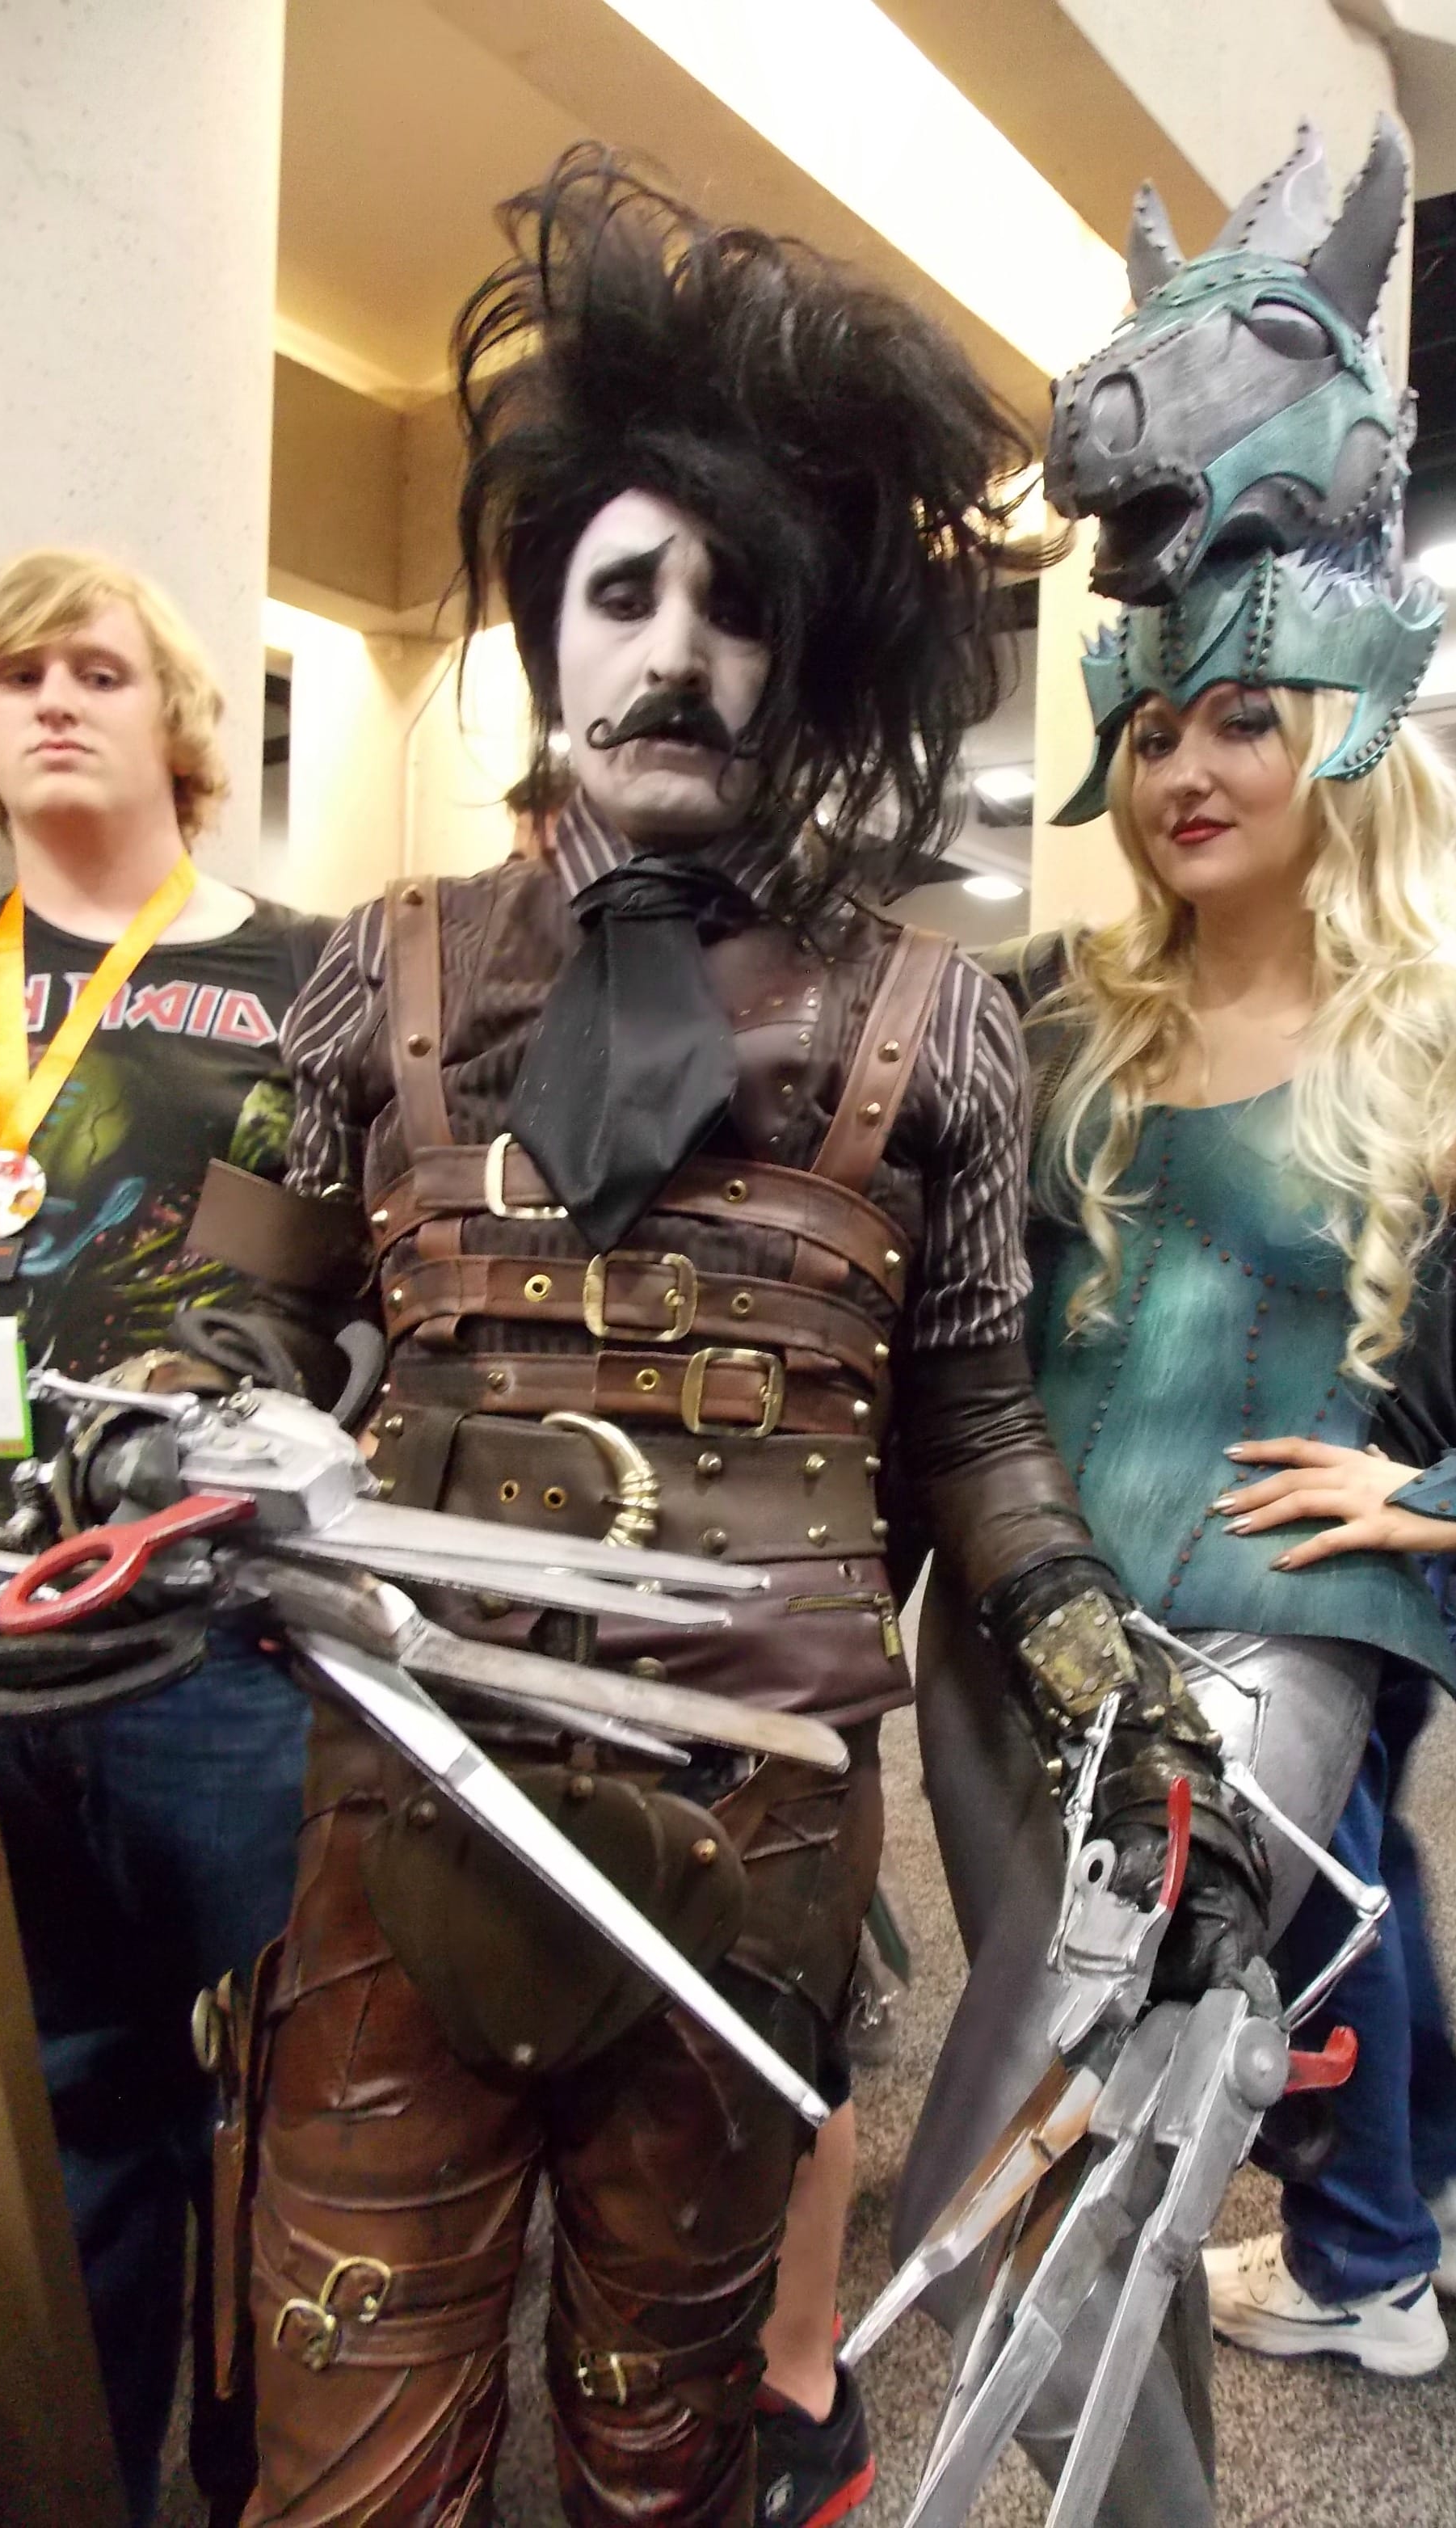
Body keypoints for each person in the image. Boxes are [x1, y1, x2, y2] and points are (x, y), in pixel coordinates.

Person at [188, 150, 1195, 2528]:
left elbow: (976, 1431)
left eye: (737, 607)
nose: (674, 651)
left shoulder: (941, 1025)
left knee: (670, 2444)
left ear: (804, 656)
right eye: (621, 591)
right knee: (350, 2449)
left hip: (756, 1844)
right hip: (400, 1811)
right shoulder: (371, 972)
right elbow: (241, 1308)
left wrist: (1104, 1672)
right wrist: (205, 1431)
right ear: (550, 630)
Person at [889, 117, 1456, 2511]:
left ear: (1345, 728)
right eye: (1154, 727)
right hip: (1003, 1640)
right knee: (1081, 2191)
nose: (1188, 770)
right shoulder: (1058, 1011)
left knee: (1025, 2172)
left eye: (1242, 718)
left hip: (1273, 1647)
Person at [0, 549, 325, 2525]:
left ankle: (279, 2485)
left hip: (218, 1637)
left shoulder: (306, 975)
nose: (51, 700)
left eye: (95, 668)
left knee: (281, 2122)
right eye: (14, 672)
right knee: (69, 2108)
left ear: (176, 716)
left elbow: (351, 1275)